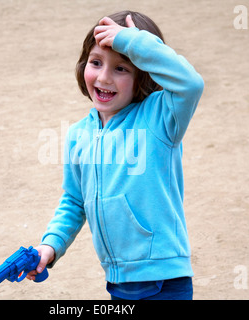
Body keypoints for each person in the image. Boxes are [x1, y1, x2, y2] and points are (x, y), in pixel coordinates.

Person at [26, 10, 204, 300]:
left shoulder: (159, 117)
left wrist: (135, 44)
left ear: (145, 73)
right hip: (118, 280)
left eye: (122, 68)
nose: (104, 77)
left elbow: (191, 84)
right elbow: (74, 200)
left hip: (164, 279)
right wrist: (51, 246)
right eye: (96, 62)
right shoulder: (78, 135)